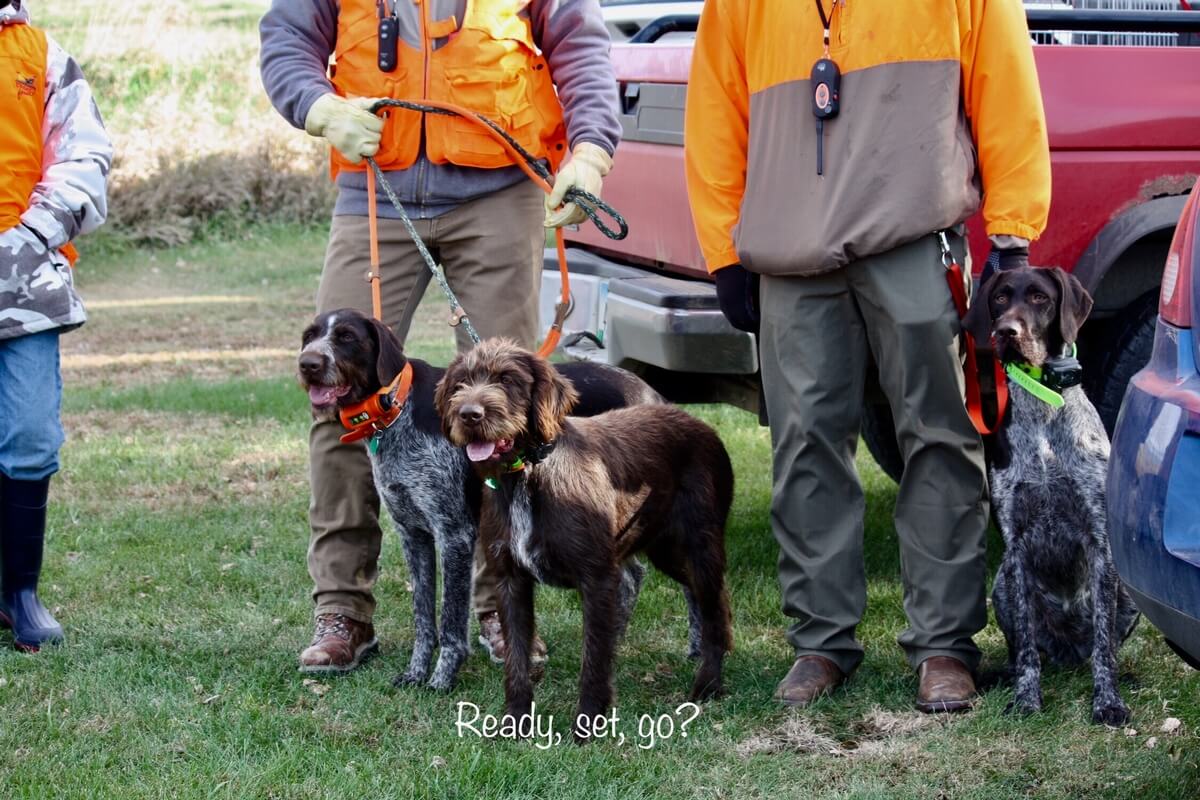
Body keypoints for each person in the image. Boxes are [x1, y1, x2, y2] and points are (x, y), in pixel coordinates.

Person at [685, 0, 1050, 711]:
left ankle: (945, 644)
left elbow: (1005, 84)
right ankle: (821, 640)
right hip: (792, 256)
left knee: (942, 437)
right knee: (804, 444)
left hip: (917, 238)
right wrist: (724, 252)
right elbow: (715, 111)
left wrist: (1012, 230)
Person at [259, 0, 621, 673]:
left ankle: (499, 603)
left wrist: (591, 152)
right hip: (374, 186)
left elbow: (580, 43)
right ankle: (343, 611)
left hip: (500, 190)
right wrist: (318, 107)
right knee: (340, 401)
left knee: (509, 414)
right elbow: (286, 34)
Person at [0, 0, 113, 651]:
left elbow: (85, 153)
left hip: (25, 281)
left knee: (31, 434)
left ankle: (20, 594)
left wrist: (29, 236)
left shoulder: (39, 54)